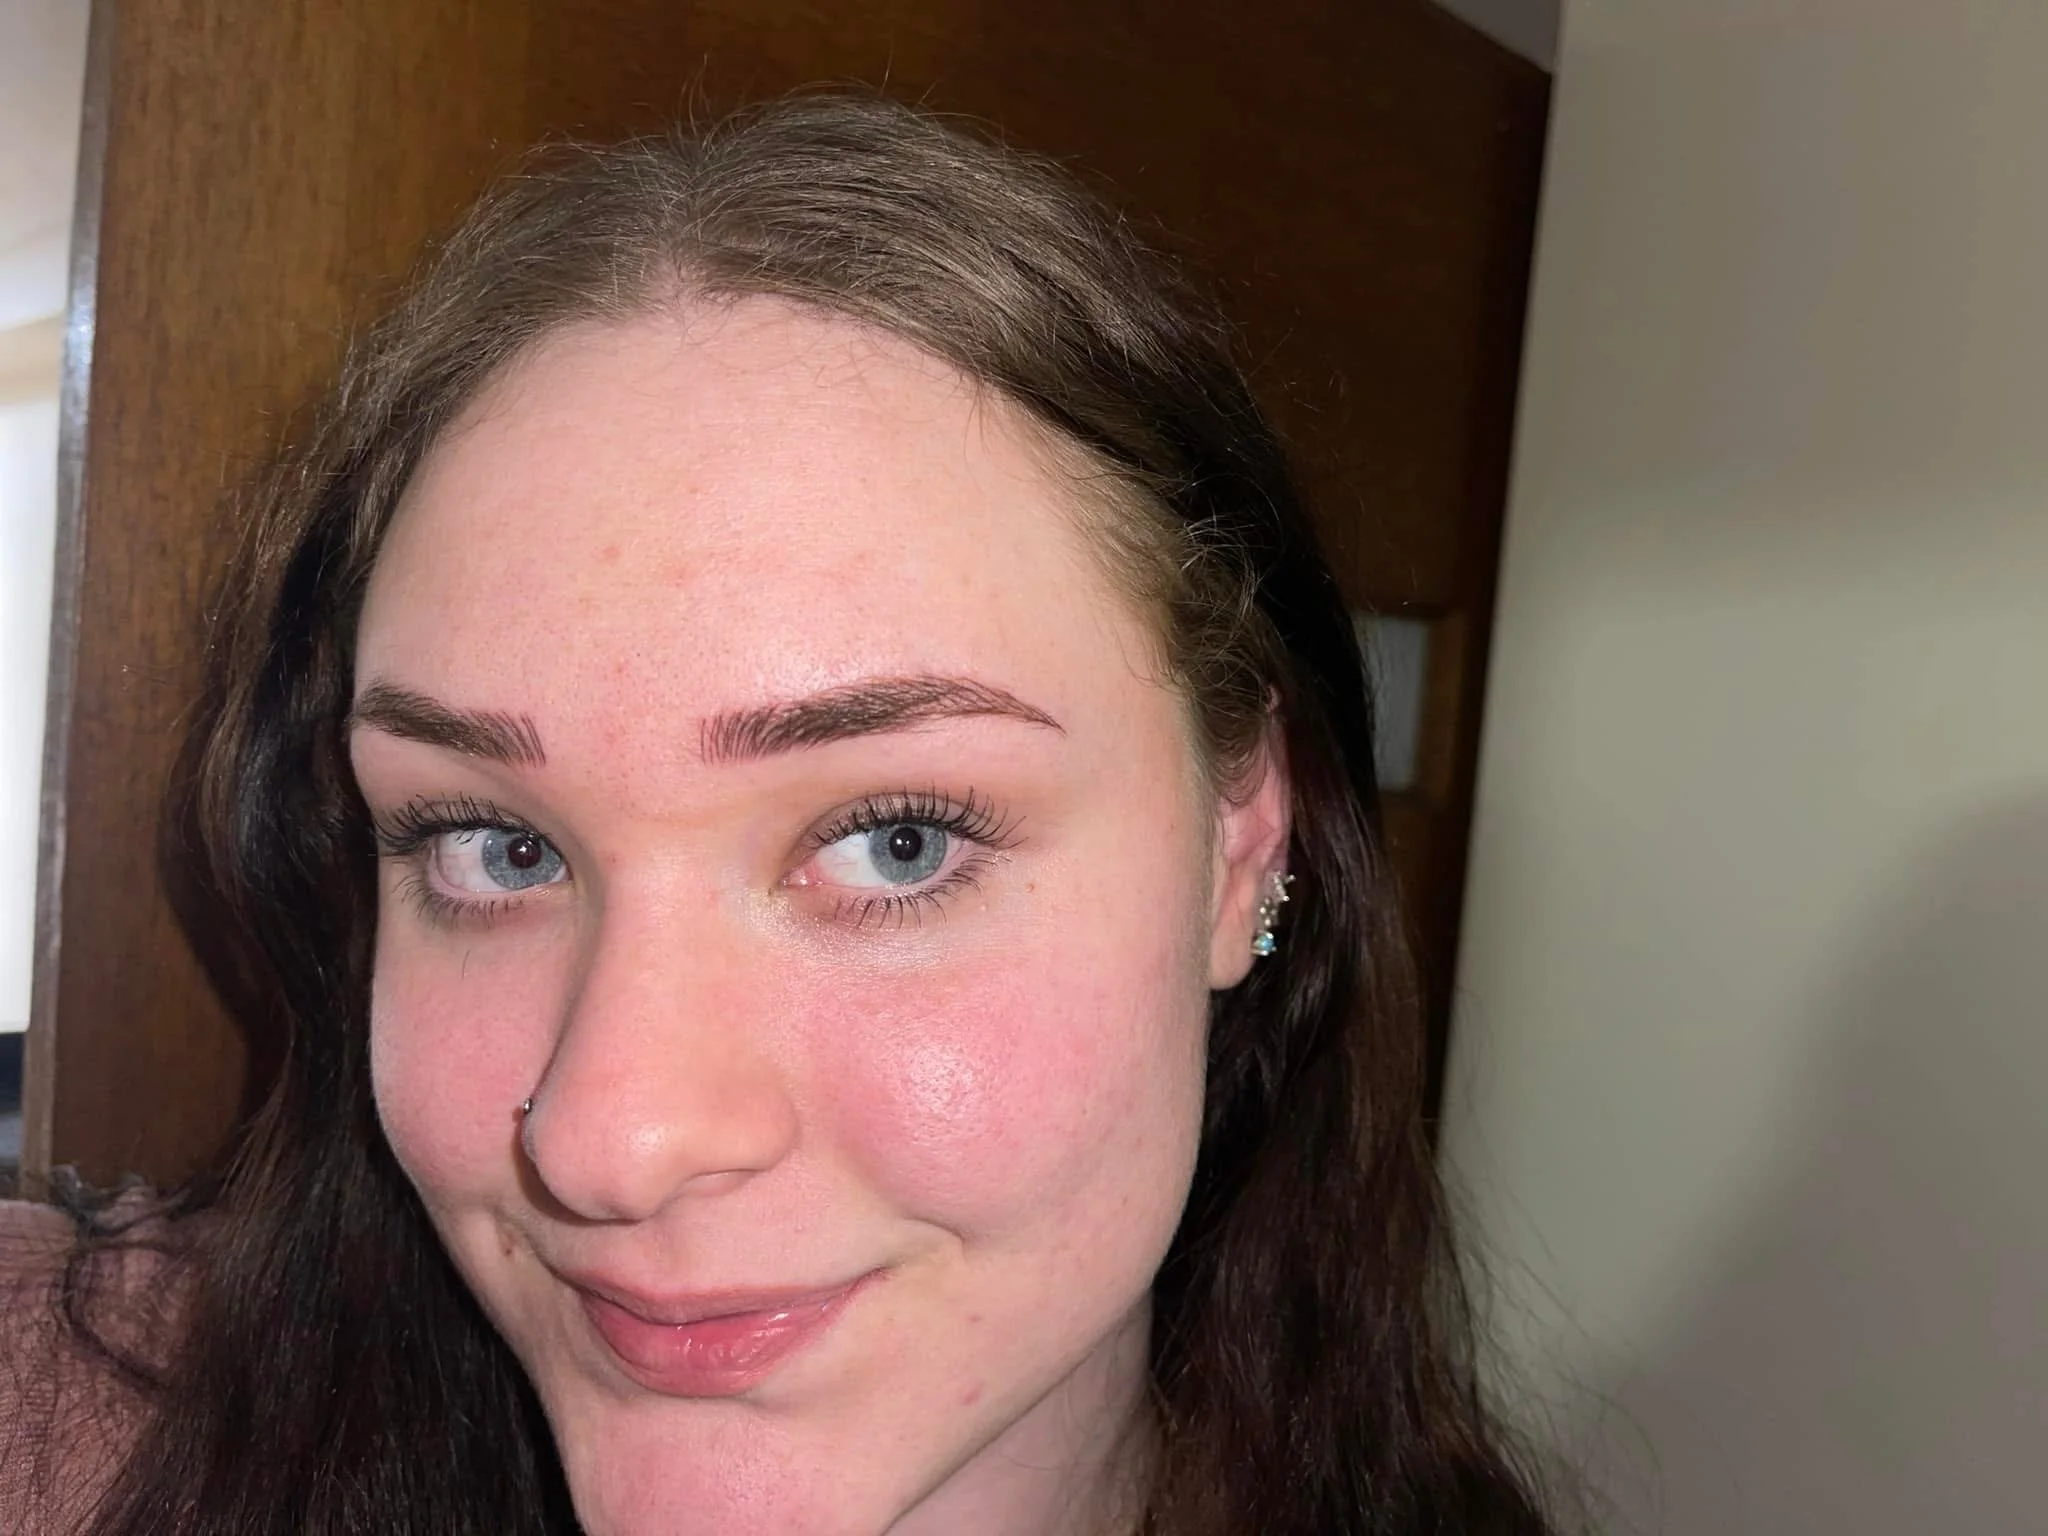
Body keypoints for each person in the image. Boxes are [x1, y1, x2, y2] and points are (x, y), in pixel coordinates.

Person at [1, 93, 1554, 1535]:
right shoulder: (71, 1434)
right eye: (495, 847)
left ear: (1239, 842)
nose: (612, 1143)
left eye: (896, 839)